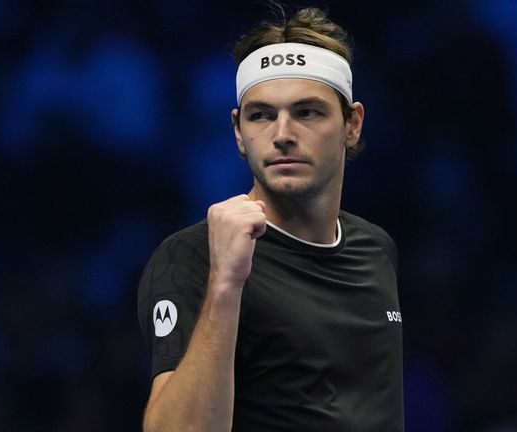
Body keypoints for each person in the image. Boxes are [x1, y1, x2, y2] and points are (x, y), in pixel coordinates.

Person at [137, 6, 403, 431]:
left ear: (352, 124)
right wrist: (225, 282)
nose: (281, 134)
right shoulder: (190, 257)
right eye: (261, 115)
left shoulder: (376, 247)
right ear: (239, 131)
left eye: (307, 112)